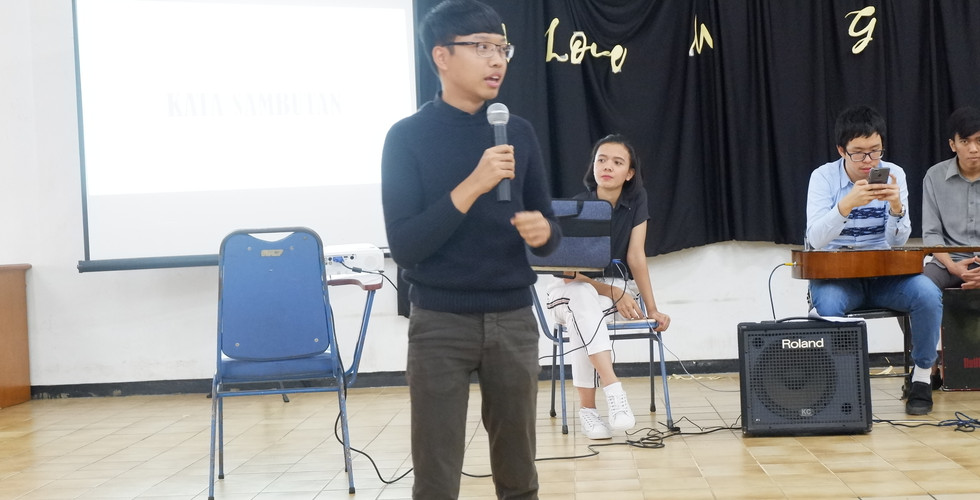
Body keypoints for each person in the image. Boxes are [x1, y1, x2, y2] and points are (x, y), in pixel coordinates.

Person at [380, 1, 560, 498]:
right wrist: (474, 184)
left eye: (502, 48)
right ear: (442, 55)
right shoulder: (407, 138)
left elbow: (549, 226)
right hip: (440, 323)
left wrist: (544, 233)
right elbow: (406, 246)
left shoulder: (517, 131)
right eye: (481, 47)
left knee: (520, 474)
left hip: (513, 318)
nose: (497, 60)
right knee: (436, 476)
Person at [805, 105, 942, 415]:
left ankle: (921, 378)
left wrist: (896, 208)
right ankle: (841, 384)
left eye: (875, 151)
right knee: (828, 305)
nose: (869, 161)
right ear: (841, 150)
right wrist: (845, 205)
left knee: (927, 293)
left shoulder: (894, 174)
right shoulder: (823, 178)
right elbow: (815, 239)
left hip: (884, 276)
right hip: (837, 277)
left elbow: (897, 242)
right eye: (858, 153)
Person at [545, 134, 671, 439]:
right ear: (593, 166)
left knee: (582, 316)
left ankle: (588, 411)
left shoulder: (636, 201)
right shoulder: (577, 206)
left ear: (629, 173)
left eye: (617, 162)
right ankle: (613, 389)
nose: (607, 166)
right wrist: (613, 291)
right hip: (570, 290)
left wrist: (652, 308)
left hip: (608, 294)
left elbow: (636, 256)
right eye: (601, 160)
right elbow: (568, 274)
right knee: (580, 298)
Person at [922, 106, 980, 290]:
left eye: (979, 140)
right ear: (952, 145)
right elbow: (931, 233)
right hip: (948, 261)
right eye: (965, 141)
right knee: (920, 287)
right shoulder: (934, 176)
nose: (973, 149)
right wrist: (952, 266)